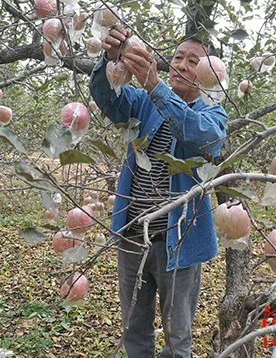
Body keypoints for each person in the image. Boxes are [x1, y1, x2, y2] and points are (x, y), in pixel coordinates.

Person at [89, 25, 228, 358]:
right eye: (178, 57)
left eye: (193, 61)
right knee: (134, 329)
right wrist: (110, 60)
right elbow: (108, 98)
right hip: (133, 238)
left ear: (210, 75)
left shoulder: (212, 114)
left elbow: (200, 136)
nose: (180, 64)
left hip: (178, 246)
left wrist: (154, 85)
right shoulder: (143, 104)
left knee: (177, 337)